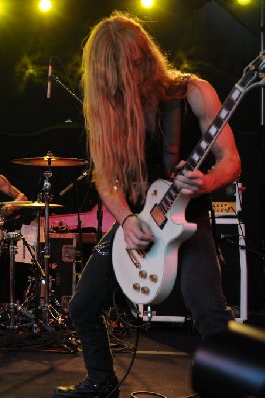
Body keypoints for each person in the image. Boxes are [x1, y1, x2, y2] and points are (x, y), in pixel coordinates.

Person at [52, 11, 241, 397]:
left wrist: (207, 181)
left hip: (187, 215)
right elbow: (105, 178)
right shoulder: (109, 109)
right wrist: (124, 219)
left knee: (208, 310)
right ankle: (101, 383)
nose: (126, 82)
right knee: (83, 305)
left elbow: (232, 161)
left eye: (131, 67)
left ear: (144, 56)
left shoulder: (193, 93)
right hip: (138, 218)